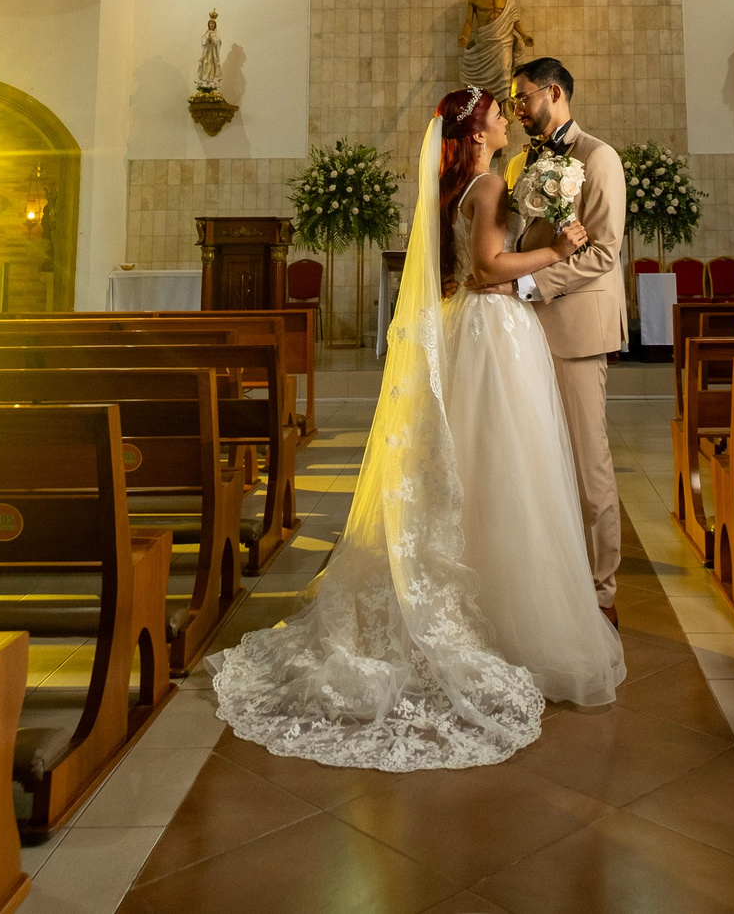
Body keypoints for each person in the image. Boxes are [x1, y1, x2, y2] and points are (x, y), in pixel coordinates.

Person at [207, 88, 624, 770]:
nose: (504, 113)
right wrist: (556, 251)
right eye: (494, 108)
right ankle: (508, 612)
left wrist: (544, 226)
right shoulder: (489, 183)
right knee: (504, 470)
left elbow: (476, 262)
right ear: (474, 127)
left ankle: (481, 590)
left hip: (472, 331)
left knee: (471, 468)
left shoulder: (461, 186)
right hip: (495, 333)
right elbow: (490, 268)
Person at [496, 56, 627, 619]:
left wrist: (527, 284)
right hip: (524, 332)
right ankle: (551, 575)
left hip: (574, 326)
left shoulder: (598, 158)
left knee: (585, 458)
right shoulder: (525, 160)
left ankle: (601, 591)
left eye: (523, 99)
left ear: (554, 93)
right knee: (537, 458)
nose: (518, 110)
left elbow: (602, 251)